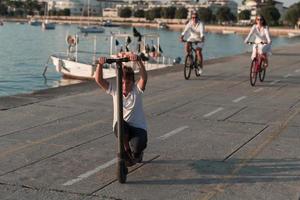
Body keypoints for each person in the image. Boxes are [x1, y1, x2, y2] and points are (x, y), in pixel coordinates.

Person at [95, 52, 148, 167]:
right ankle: (126, 149)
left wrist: (138, 61)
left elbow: (144, 77)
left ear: (132, 82)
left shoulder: (136, 90)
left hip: (138, 128)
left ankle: (137, 153)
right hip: (122, 127)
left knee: (138, 146)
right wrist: (100, 64)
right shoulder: (115, 89)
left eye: (127, 83)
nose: (124, 86)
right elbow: (98, 80)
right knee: (120, 126)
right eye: (122, 82)